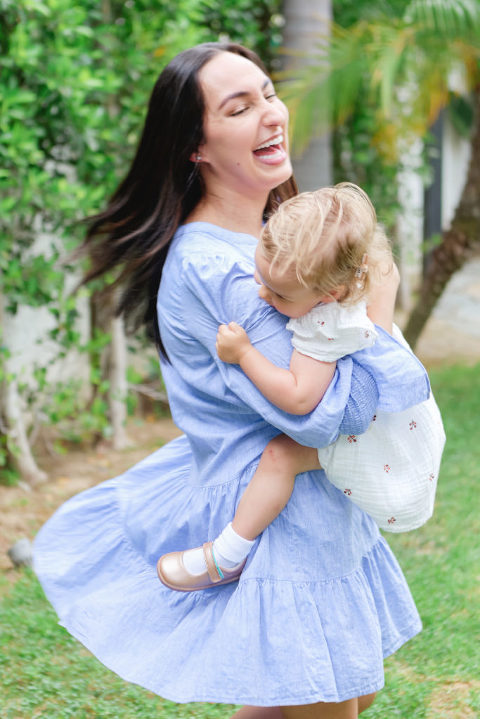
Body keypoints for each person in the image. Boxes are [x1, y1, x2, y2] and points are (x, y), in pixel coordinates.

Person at [34, 42, 432, 718]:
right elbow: (318, 415)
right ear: (196, 146)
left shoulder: (271, 248)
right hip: (286, 523)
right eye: (239, 107)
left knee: (338, 691)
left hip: (309, 508)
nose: (271, 115)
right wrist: (380, 312)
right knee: (323, 698)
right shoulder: (227, 271)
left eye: (268, 93)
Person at [157, 183, 445, 594]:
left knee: (279, 457)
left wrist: (243, 355)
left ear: (330, 294)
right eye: (261, 279)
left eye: (278, 294)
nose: (262, 294)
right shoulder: (360, 270)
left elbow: (298, 398)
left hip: (376, 434)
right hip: (399, 418)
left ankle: (225, 556)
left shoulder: (326, 325)